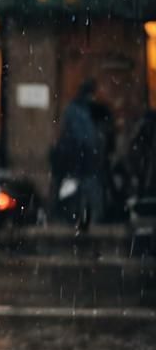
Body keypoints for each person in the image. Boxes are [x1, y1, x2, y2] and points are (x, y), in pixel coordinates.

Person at [51, 78, 105, 233]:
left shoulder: (76, 110)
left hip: (77, 159)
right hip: (81, 159)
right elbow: (84, 137)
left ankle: (77, 218)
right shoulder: (81, 111)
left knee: (76, 190)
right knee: (84, 189)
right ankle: (83, 219)